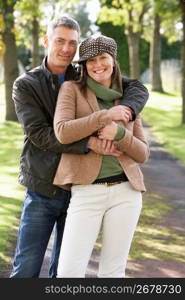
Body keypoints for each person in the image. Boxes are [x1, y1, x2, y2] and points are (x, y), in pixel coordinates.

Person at [10, 15, 149, 278]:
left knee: (62, 270)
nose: (66, 48)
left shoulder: (85, 73)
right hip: (43, 184)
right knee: (27, 266)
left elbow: (136, 87)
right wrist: (92, 143)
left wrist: (128, 111)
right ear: (46, 41)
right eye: (60, 41)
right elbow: (41, 134)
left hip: (77, 185)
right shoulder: (26, 84)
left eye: (72, 43)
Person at [53, 35, 150, 278]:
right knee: (68, 273)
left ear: (113, 60)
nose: (98, 65)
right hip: (86, 191)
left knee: (113, 272)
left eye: (103, 58)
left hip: (126, 193)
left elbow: (142, 153)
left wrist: (119, 133)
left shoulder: (126, 96)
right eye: (91, 60)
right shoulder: (72, 89)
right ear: (84, 66)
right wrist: (104, 117)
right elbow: (63, 131)